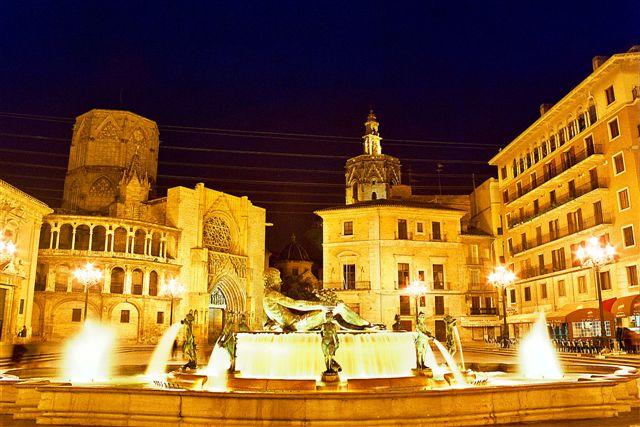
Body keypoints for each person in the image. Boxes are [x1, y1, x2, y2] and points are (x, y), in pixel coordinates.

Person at [262, 268, 376, 331]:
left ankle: (361, 327)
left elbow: (265, 322)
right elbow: (297, 304)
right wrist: (321, 305)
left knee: (334, 315)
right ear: (271, 279)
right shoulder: (271, 294)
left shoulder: (265, 296)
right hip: (299, 324)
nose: (281, 281)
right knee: (338, 306)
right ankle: (368, 325)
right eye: (278, 279)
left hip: (297, 323)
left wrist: (273, 326)